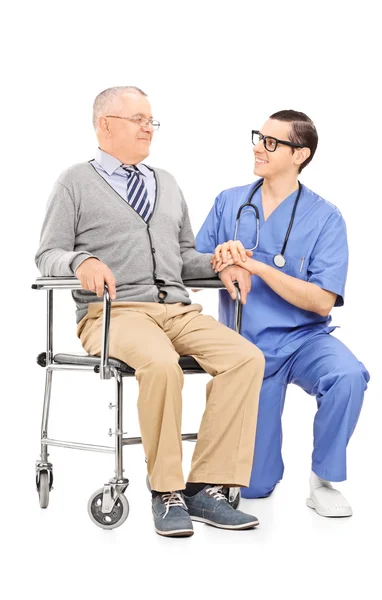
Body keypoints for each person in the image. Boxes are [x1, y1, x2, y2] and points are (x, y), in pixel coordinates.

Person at [35, 86, 266, 537]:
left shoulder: (167, 182)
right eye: (138, 119)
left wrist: (221, 261)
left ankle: (203, 488)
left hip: (175, 311)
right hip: (113, 314)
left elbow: (183, 257)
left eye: (151, 120)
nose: (148, 127)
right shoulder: (74, 182)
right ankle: (167, 491)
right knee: (160, 365)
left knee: (246, 358)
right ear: (105, 125)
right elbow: (48, 253)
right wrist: (81, 261)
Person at [196, 110, 370, 517]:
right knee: (254, 487)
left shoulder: (326, 217)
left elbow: (322, 300)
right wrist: (220, 260)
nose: (259, 146)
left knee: (347, 375)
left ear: (300, 154)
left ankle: (324, 480)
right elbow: (193, 261)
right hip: (247, 348)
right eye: (259, 137)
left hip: (304, 339)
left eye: (272, 142)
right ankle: (260, 474)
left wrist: (258, 267)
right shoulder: (229, 202)